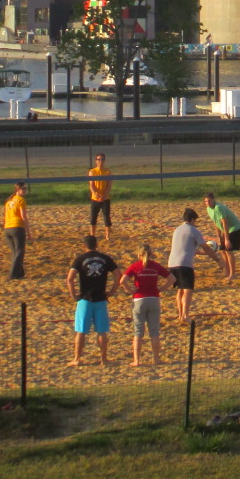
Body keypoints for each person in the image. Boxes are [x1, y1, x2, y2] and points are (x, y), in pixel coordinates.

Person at [66, 234, 119, 366]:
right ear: (97, 244)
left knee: (81, 331)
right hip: (100, 298)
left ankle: (77, 359)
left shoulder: (80, 259)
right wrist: (112, 291)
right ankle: (104, 359)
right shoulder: (105, 258)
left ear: (84, 246)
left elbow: (70, 279)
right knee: (102, 331)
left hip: (85, 299)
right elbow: (118, 275)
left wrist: (73, 295)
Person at [122, 244, 175, 366]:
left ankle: (137, 360)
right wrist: (161, 289)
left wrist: (130, 290)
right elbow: (172, 279)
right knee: (154, 331)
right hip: (153, 298)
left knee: (138, 331)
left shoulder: (136, 266)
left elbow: (122, 281)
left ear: (139, 254)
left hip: (139, 299)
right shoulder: (155, 266)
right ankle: (156, 359)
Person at [167, 207, 222, 323]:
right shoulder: (193, 230)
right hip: (184, 264)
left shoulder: (177, 230)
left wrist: (200, 253)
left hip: (172, 263)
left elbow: (185, 248)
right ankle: (185, 316)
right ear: (192, 220)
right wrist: (218, 260)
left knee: (180, 290)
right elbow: (206, 247)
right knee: (187, 290)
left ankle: (180, 315)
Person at [203, 193, 240, 280]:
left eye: (209, 200)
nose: (208, 203)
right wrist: (219, 237)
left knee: (228, 250)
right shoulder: (209, 209)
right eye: (206, 201)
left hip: (235, 228)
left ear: (213, 200)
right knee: (221, 250)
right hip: (226, 230)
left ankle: (232, 274)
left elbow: (225, 223)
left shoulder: (219, 207)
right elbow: (216, 223)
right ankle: (227, 271)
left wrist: (227, 239)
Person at [4, 182, 28, 280]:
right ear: (18, 190)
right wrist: (28, 231)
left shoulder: (9, 201)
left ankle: (20, 273)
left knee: (15, 252)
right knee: (19, 251)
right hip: (17, 227)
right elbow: (23, 217)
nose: (25, 190)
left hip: (8, 228)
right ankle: (13, 274)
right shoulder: (21, 200)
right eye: (24, 189)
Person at [88, 153, 113, 241]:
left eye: (102, 159)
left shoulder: (107, 172)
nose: (100, 161)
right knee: (93, 217)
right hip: (95, 198)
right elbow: (92, 185)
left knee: (106, 217)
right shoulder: (92, 171)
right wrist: (96, 194)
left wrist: (104, 195)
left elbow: (109, 186)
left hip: (105, 198)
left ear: (104, 161)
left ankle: (107, 236)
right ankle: (92, 235)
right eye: (98, 159)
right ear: (96, 161)